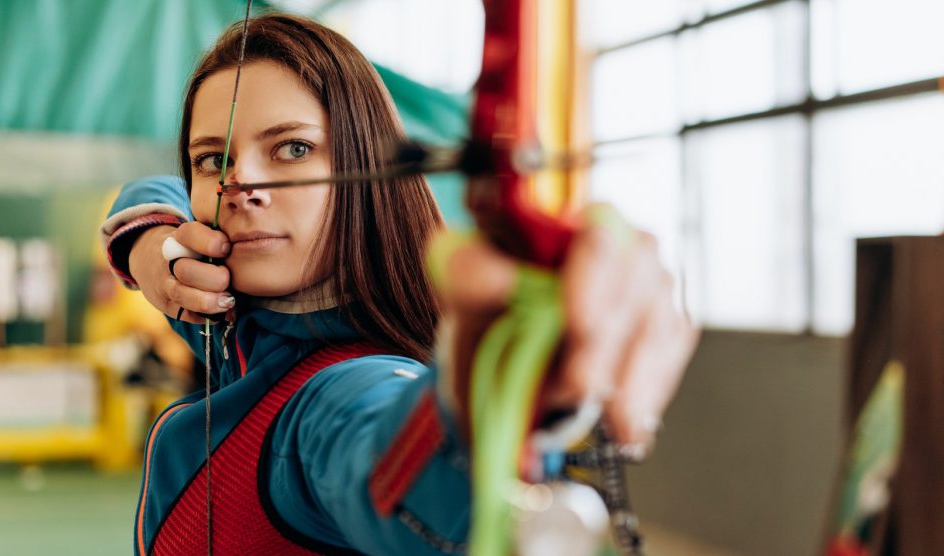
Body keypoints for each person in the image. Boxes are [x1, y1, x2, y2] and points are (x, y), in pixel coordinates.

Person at [100, 13, 697, 556]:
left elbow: (388, 462)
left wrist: (493, 386)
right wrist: (151, 243)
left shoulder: (335, 397)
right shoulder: (225, 311)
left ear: (369, 169)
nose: (240, 182)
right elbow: (151, 190)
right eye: (212, 159)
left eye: (293, 148)